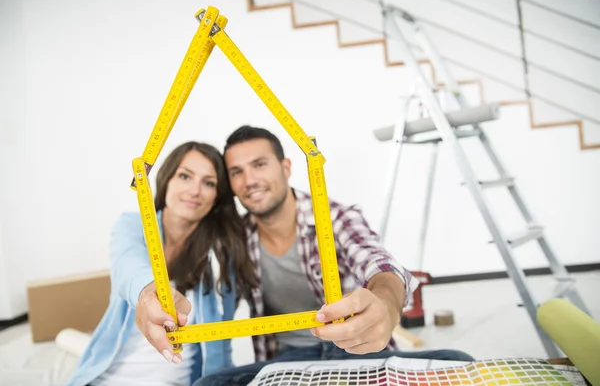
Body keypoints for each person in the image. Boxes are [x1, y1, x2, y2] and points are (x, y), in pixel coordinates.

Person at [138, 127, 474, 386]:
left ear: (285, 167)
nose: (250, 180)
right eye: (237, 172)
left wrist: (386, 302)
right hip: (288, 362)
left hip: (352, 351)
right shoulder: (235, 238)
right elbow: (211, 295)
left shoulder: (334, 217)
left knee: (457, 362)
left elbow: (378, 263)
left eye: (259, 164)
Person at [66, 141, 258, 386]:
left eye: (208, 182)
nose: (195, 190)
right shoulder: (131, 226)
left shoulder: (220, 255)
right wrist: (149, 293)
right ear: (166, 179)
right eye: (185, 176)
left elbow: (220, 342)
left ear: (216, 197)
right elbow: (128, 266)